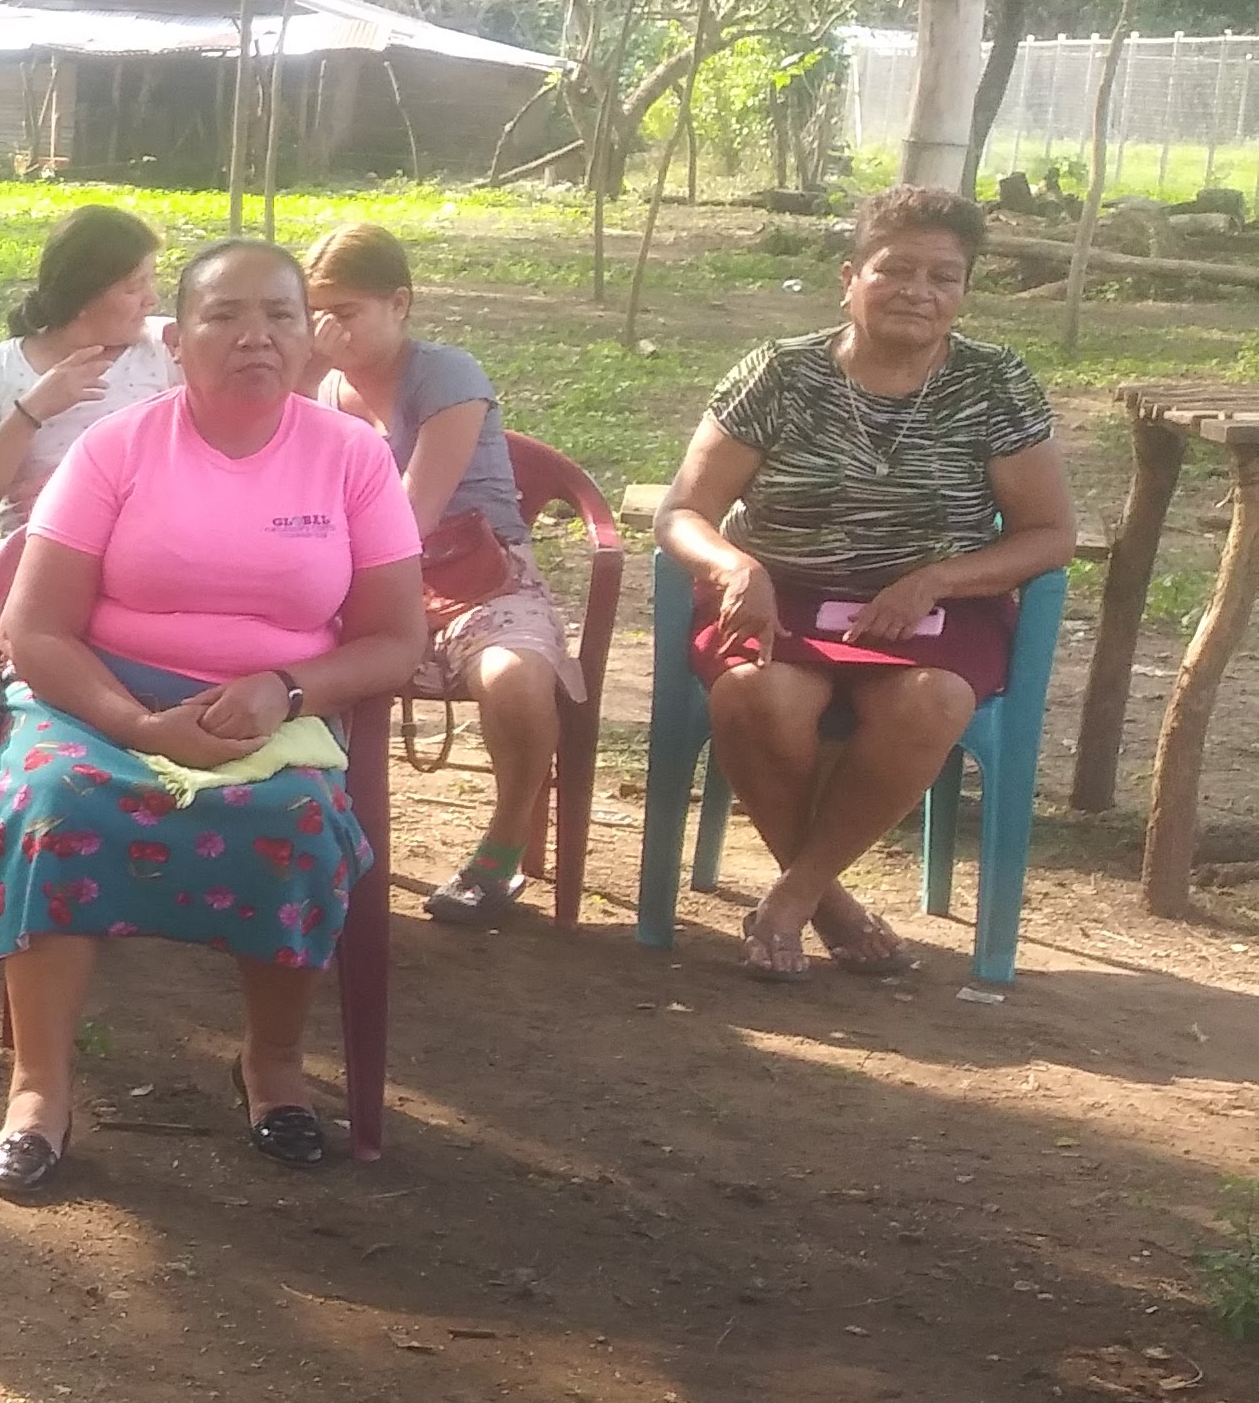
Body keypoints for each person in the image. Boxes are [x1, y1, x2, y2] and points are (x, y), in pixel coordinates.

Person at [0, 241, 424, 1200]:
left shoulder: (354, 458)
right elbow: (34, 630)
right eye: (225, 316)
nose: (256, 338)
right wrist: (140, 725)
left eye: (281, 317)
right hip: (101, 699)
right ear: (177, 339)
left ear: (307, 336)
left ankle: (272, 1065)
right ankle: (39, 1090)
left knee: (297, 824)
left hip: (272, 705)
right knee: (52, 804)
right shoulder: (113, 449)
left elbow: (393, 639)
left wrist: (284, 688)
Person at [654, 185, 1075, 982]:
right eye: (896, 269)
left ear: (964, 291)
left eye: (944, 276)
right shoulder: (777, 373)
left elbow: (1051, 533)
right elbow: (684, 511)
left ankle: (790, 898)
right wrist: (734, 566)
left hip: (936, 603)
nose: (920, 291)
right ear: (850, 276)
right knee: (755, 694)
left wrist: (939, 580)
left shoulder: (995, 383)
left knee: (933, 701)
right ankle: (831, 903)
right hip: (785, 591)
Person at [305, 221, 579, 928]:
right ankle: (308, 839)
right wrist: (305, 377)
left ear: (399, 304)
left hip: (474, 579)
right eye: (314, 311)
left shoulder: (446, 374)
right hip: (360, 586)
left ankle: (504, 845)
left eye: (345, 312)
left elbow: (407, 516)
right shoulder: (323, 388)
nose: (326, 328)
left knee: (513, 676)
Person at [0, 202, 174, 532]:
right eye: (134, 287)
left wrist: (81, 496)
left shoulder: (167, 350)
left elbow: (213, 466)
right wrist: (30, 411)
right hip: (34, 555)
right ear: (81, 299)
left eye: (151, 281)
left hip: (144, 545)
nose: (152, 299)